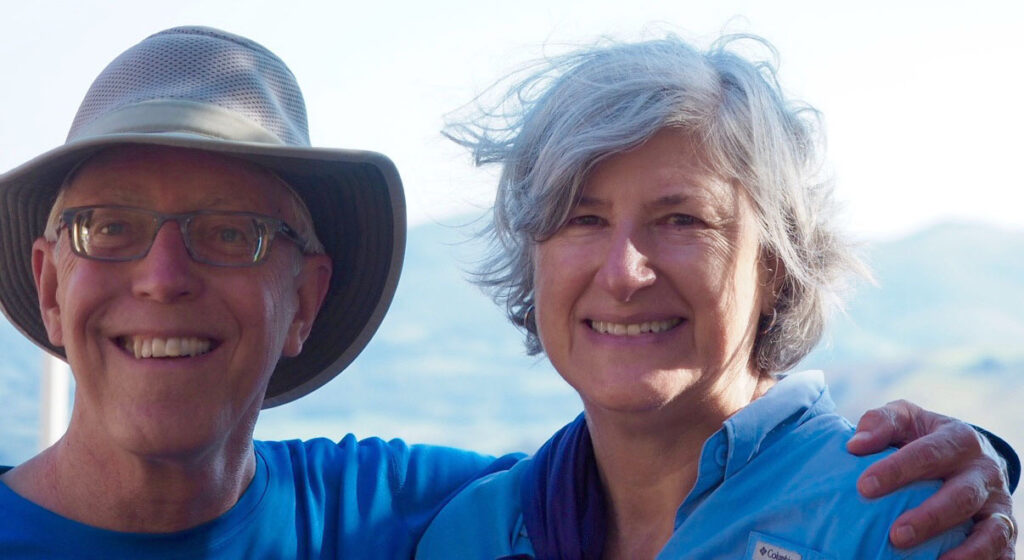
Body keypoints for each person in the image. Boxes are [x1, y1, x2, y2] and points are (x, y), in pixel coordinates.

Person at [0, 25, 1013, 559]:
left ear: (304, 294)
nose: (164, 277)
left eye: (230, 234)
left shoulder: (400, 515)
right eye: (109, 228)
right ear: (49, 280)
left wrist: (969, 462)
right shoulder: (474, 525)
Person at [416, 34, 1019, 559]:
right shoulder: (473, 533)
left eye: (682, 220)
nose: (624, 274)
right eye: (582, 219)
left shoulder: (896, 521)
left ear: (776, 266)